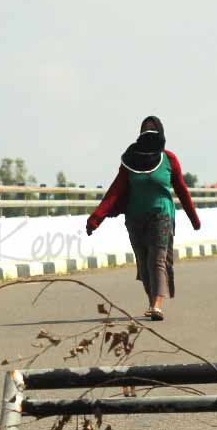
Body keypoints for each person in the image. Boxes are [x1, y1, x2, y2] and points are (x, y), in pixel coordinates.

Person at [84, 116, 200, 321]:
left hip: (161, 214)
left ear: (161, 132)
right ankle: (151, 301)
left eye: (153, 128)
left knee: (157, 258)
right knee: (144, 262)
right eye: (145, 128)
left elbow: (182, 189)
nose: (149, 132)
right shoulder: (130, 161)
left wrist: (193, 218)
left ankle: (157, 304)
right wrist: (96, 218)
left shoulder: (168, 159)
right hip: (135, 217)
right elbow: (115, 190)